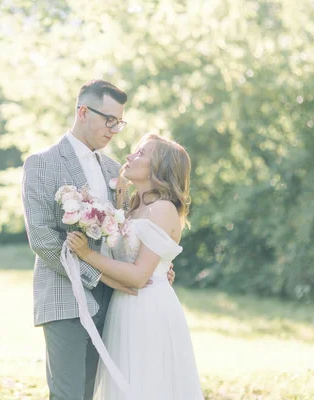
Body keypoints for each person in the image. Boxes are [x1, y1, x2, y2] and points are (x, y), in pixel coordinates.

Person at [21, 80, 175, 399]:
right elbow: (42, 239)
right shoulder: (42, 163)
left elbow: (125, 234)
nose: (114, 129)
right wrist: (98, 276)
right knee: (68, 395)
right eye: (109, 120)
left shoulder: (116, 171)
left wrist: (157, 267)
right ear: (83, 112)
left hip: (113, 304)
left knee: (94, 393)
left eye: (119, 122)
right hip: (65, 298)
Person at [67, 133, 204, 399]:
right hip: (124, 306)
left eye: (140, 154)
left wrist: (86, 254)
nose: (129, 156)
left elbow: (140, 276)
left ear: (159, 168)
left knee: (147, 383)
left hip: (147, 307)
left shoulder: (163, 208)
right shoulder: (133, 208)